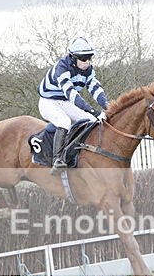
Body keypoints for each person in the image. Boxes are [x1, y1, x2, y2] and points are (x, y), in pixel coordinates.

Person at [37, 36, 109, 174]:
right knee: (64, 121)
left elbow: (95, 88)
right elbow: (71, 94)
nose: (87, 62)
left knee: (91, 121)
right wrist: (94, 111)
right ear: (73, 57)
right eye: (83, 58)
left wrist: (107, 106)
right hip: (48, 102)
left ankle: (83, 155)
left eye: (89, 58)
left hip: (65, 102)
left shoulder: (88, 70)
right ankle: (57, 160)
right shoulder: (62, 67)